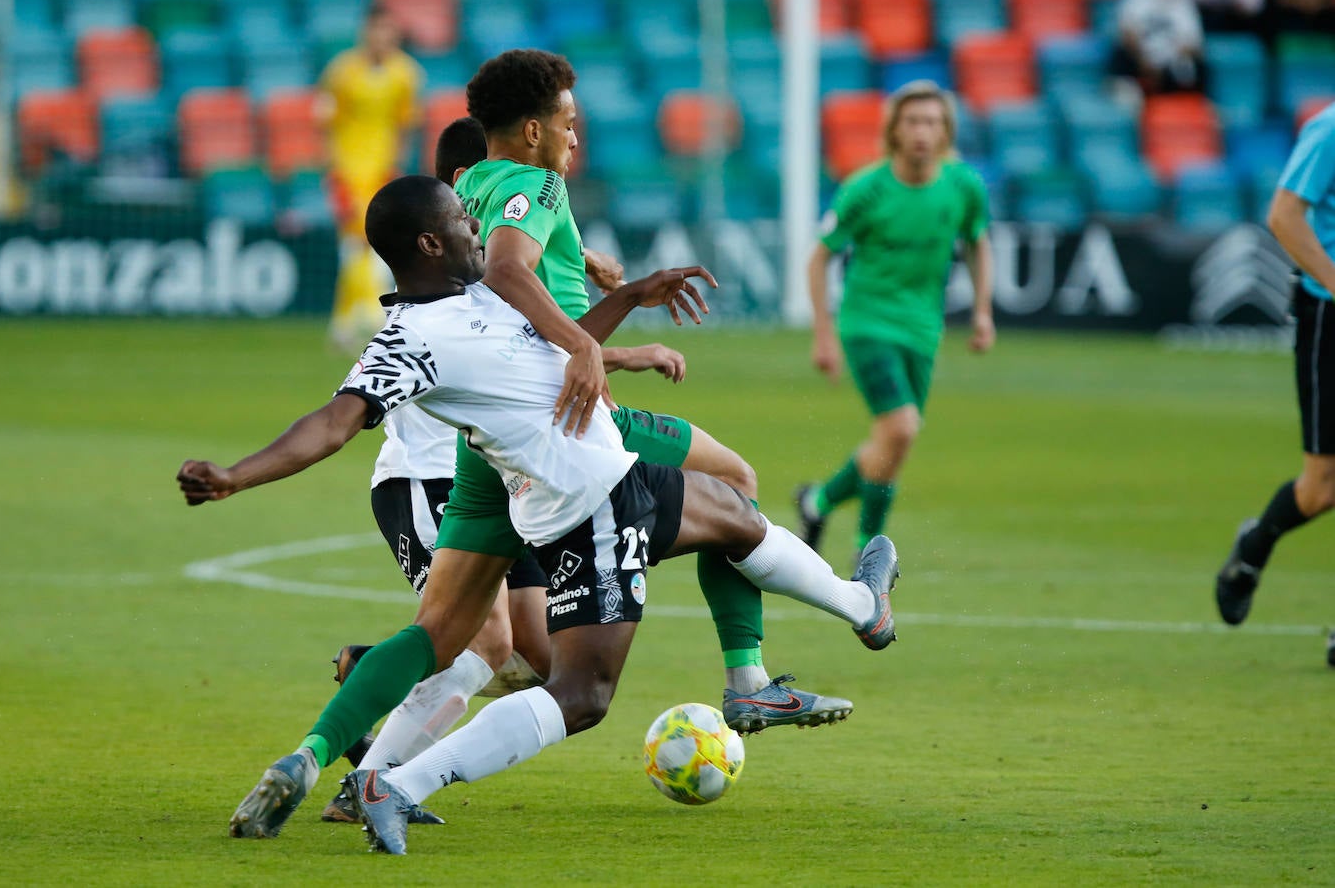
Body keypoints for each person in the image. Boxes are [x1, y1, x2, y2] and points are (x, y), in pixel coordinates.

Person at [177, 176, 901, 856]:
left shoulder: (483, 298)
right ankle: (393, 783)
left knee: (735, 512)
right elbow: (332, 424)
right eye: (462, 222)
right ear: (429, 244)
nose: (475, 230)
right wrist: (236, 476)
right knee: (580, 694)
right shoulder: (409, 340)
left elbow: (557, 350)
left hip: (596, 482)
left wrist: (637, 297)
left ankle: (860, 607)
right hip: (587, 503)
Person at [451, 49, 849, 734]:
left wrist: (596, 289)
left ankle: (357, 760)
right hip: (570, 417)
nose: (578, 138)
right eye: (569, 124)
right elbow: (508, 274)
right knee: (734, 480)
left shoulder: (468, 191)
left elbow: (509, 296)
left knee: (458, 631)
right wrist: (587, 345)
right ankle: (748, 679)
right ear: (535, 131)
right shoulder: (540, 188)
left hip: (492, 433)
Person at [317, 115, 682, 824]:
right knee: (480, 642)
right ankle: (370, 775)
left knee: (540, 664)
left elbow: (532, 341)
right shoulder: (455, 285)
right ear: (464, 193)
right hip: (427, 478)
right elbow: (515, 330)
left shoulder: (489, 265)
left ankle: (377, 699)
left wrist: (612, 304)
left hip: (498, 479)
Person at [796, 80, 994, 563]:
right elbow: (819, 259)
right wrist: (824, 334)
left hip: (923, 331)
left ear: (945, 130)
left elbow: (977, 242)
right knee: (901, 428)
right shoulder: (866, 189)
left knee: (892, 440)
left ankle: (817, 501)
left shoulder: (964, 186)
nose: (922, 131)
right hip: (868, 324)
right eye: (912, 121)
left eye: (932, 121)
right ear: (895, 130)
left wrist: (984, 312)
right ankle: (868, 551)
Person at [1216, 100, 1335, 668]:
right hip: (1329, 317)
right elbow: (1285, 215)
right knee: (1323, 487)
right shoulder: (1330, 127)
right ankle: (1255, 544)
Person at [317, 5, 423, 350]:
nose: (382, 38)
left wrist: (397, 166)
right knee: (355, 243)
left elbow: (406, 125)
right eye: (377, 30)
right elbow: (326, 121)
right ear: (366, 32)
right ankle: (369, 317)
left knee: (374, 243)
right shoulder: (342, 71)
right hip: (348, 171)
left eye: (388, 31)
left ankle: (348, 321)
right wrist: (331, 166)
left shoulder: (406, 74)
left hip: (382, 170)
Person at [1109, 0, 1208, 97]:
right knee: (1119, 56)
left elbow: (1192, 43)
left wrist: (1165, 62)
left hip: (1171, 63)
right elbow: (1127, 33)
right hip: (1140, 59)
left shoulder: (1184, 4)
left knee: (1195, 68)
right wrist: (1143, 60)